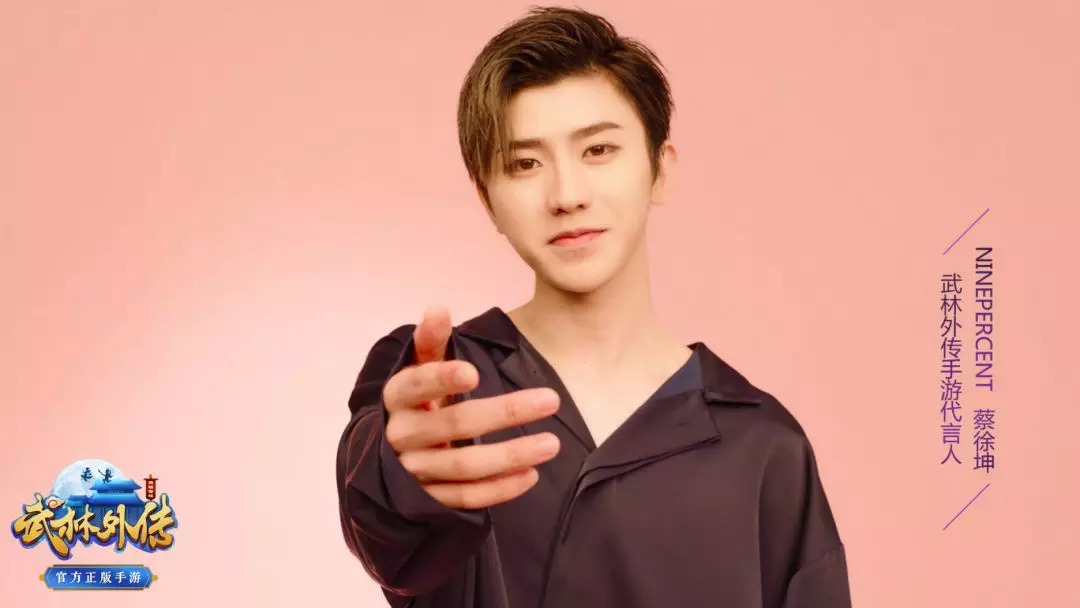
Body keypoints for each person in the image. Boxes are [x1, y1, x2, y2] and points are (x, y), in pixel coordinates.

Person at [336, 6, 850, 607]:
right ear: (487, 199)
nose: (568, 195)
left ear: (660, 169)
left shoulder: (764, 445)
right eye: (525, 164)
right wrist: (397, 472)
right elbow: (383, 525)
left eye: (599, 150)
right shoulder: (440, 387)